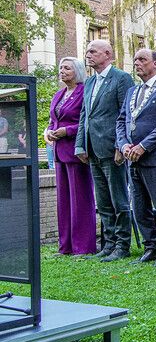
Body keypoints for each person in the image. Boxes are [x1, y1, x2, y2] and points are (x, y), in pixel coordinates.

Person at [115, 48, 156, 264]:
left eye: (142, 59)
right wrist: (123, 145)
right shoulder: (132, 91)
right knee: (140, 207)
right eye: (135, 60)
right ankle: (149, 246)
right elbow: (121, 121)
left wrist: (143, 146)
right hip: (132, 159)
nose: (137, 63)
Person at [74, 40, 135, 261]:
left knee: (119, 199)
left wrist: (122, 144)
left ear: (107, 53)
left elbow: (127, 114)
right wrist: (80, 144)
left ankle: (122, 245)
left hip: (112, 148)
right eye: (87, 51)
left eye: (92, 51)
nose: (88, 55)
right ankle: (108, 244)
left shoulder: (121, 79)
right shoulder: (89, 82)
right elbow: (84, 116)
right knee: (103, 200)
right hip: (93, 149)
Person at [47, 57, 96, 255]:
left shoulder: (84, 91)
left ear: (77, 71)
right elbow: (53, 120)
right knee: (63, 201)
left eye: (67, 68)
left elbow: (86, 121)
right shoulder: (59, 94)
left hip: (77, 153)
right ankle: (65, 246)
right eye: (60, 68)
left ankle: (82, 247)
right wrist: (49, 131)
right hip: (59, 152)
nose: (62, 71)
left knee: (80, 200)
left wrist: (67, 131)